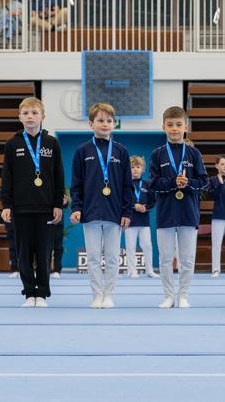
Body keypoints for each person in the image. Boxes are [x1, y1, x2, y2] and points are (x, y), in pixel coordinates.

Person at [1, 97, 64, 308]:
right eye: (26, 113)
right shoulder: (13, 144)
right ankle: (29, 292)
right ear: (19, 117)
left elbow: (59, 176)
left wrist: (57, 204)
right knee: (24, 253)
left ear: (43, 117)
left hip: (46, 207)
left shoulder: (52, 143)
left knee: (45, 252)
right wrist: (7, 205)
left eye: (34, 113)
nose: (30, 117)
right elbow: (7, 177)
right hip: (21, 208)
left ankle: (43, 294)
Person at [70, 103, 132, 309]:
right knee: (94, 257)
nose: (105, 124)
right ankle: (97, 294)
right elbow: (77, 183)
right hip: (90, 212)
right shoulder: (82, 151)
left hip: (115, 213)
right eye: (100, 120)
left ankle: (109, 294)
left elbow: (127, 185)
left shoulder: (122, 151)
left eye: (108, 121)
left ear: (114, 124)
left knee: (114, 257)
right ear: (91, 124)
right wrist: (76, 207)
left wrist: (127, 211)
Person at [149, 106, 207, 308]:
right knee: (165, 259)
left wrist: (188, 183)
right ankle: (168, 295)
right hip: (165, 213)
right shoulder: (157, 154)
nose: (174, 129)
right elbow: (154, 184)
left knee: (187, 258)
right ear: (163, 127)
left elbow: (203, 181)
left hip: (189, 213)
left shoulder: (193, 153)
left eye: (178, 125)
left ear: (186, 127)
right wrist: (174, 182)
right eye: (170, 125)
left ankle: (183, 295)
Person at [125, 156, 158, 279]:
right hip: (130, 220)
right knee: (130, 246)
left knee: (147, 245)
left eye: (138, 167)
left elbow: (153, 200)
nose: (135, 170)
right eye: (132, 167)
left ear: (142, 169)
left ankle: (149, 270)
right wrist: (134, 205)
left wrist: (146, 208)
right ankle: (132, 270)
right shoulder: (125, 185)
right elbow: (123, 200)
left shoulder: (147, 184)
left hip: (144, 221)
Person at [51, 192, 68, 278]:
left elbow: (65, 203)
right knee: (41, 247)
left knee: (58, 246)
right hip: (42, 219)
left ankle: (57, 270)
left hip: (58, 221)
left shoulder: (58, 183)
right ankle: (42, 269)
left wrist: (65, 202)